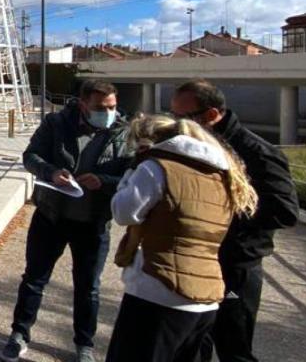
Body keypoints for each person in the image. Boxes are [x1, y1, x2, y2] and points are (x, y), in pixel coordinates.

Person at [106, 114, 258, 362]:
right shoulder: (223, 176)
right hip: (206, 296)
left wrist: (129, 176)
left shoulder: (156, 168)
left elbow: (123, 212)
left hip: (158, 289)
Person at [1, 80, 134, 362]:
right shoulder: (56, 124)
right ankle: (19, 334)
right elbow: (31, 156)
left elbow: (131, 175)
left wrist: (103, 180)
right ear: (83, 104)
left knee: (88, 287)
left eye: (112, 107)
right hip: (51, 216)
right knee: (34, 279)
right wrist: (50, 172)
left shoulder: (125, 133)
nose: (108, 113)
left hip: (94, 222)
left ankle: (84, 345)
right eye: (100, 108)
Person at [169, 79, 299, 362]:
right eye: (173, 116)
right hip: (197, 261)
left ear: (212, 114)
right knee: (190, 345)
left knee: (233, 349)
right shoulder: (191, 146)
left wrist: (219, 214)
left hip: (235, 266)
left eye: (184, 117)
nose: (177, 125)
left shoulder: (257, 152)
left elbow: (284, 211)